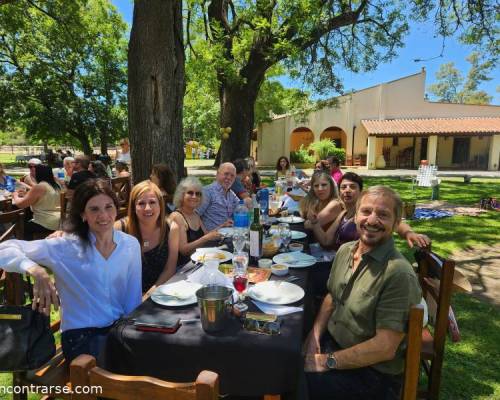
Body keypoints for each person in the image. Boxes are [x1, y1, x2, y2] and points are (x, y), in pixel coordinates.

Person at [0, 179, 142, 362]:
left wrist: (135, 334)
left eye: (108, 207)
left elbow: (132, 300)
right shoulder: (65, 246)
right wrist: (36, 270)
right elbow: (5, 248)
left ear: (116, 208)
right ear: (83, 214)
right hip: (81, 337)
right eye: (94, 209)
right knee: (118, 370)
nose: (104, 215)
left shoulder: (129, 245)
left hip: (118, 330)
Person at [304, 185, 422, 399]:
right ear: (355, 215)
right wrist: (314, 337)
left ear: (396, 224)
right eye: (366, 211)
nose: (372, 220)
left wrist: (327, 361)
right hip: (335, 344)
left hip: (372, 373)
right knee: (285, 356)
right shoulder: (346, 251)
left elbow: (385, 347)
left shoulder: (398, 274)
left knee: (294, 384)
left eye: (383, 215)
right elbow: (332, 297)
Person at [311, 172, 431, 250]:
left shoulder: (365, 215)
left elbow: (396, 223)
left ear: (361, 191)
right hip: (337, 262)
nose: (347, 190)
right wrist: (314, 222)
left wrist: (408, 233)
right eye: (343, 187)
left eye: (352, 187)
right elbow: (326, 241)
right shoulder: (343, 214)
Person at [114, 180, 179, 293]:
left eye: (152, 202)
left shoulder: (171, 228)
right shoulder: (119, 229)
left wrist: (148, 295)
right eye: (141, 203)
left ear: (160, 204)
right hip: (125, 294)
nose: (147, 208)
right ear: (133, 207)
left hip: (159, 292)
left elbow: (170, 269)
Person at [169, 177, 223, 266]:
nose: (194, 196)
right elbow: (183, 250)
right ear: (181, 195)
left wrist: (223, 227)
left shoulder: (195, 214)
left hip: (198, 262)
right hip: (183, 268)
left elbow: (207, 235)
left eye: (198, 194)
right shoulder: (177, 216)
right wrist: (206, 238)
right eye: (190, 193)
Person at [12, 164, 61, 240]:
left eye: (34, 171)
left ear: (39, 173)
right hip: (59, 219)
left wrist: (15, 195)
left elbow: (20, 204)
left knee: (18, 226)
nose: (32, 173)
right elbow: (45, 196)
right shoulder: (57, 184)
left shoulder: (40, 186)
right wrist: (27, 194)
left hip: (46, 222)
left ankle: (27, 247)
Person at [197, 162, 238, 231]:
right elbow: (195, 214)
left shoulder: (231, 194)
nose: (229, 178)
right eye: (226, 174)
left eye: (232, 176)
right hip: (212, 239)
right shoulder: (208, 192)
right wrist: (205, 234)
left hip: (229, 235)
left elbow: (241, 207)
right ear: (217, 174)